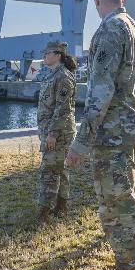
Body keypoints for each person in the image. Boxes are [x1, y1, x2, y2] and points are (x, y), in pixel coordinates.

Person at [66, 0, 135, 270]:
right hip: (132, 128)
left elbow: (100, 92)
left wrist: (80, 142)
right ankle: (130, 264)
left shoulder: (110, 29)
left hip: (112, 134)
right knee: (130, 197)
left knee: (116, 202)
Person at [36, 41, 78, 222]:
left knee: (50, 170)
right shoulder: (53, 75)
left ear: (58, 55)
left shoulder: (63, 77)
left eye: (47, 52)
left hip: (58, 133)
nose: (44, 55)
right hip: (53, 131)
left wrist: (52, 134)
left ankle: (44, 213)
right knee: (60, 170)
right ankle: (62, 207)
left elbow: (63, 109)